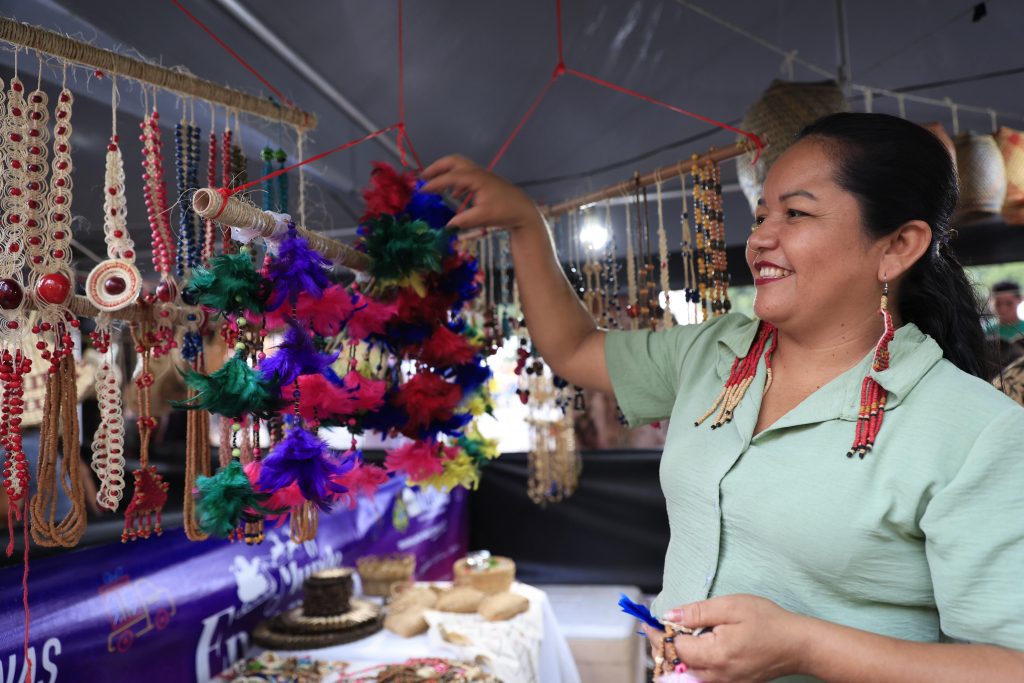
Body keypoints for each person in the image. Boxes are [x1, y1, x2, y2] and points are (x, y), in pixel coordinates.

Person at [423, 113, 1024, 682]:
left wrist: (805, 644)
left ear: (897, 246)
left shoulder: (974, 431)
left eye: (796, 214)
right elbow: (576, 347)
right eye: (761, 214)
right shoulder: (715, 353)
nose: (759, 239)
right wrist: (527, 224)